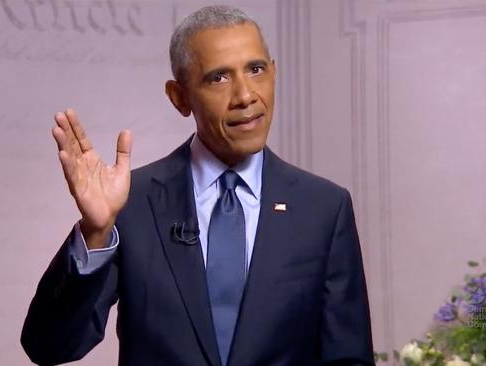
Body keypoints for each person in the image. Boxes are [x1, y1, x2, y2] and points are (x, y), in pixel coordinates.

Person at [21, 5, 374, 366]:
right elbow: (48, 347)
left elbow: (348, 357)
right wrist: (96, 233)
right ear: (179, 97)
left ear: (274, 72)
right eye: (218, 78)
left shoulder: (324, 208)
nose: (246, 96)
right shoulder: (131, 203)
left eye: (256, 70)